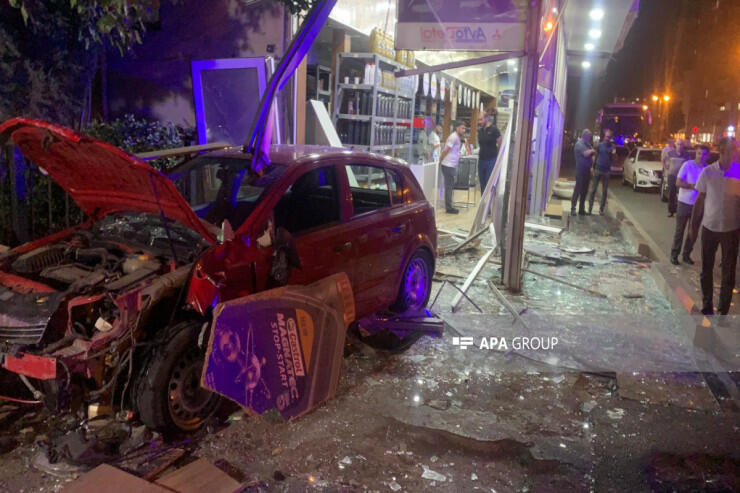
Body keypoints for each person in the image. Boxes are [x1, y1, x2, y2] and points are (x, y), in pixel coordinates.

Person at [689, 137, 740, 316]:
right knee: (706, 269)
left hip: (731, 230)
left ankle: (723, 311)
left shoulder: (738, 172)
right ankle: (707, 305)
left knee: (728, 272)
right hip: (709, 227)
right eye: (733, 149)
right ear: (723, 151)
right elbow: (699, 201)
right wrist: (693, 227)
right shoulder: (708, 172)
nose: (736, 152)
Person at [670, 145, 710, 265]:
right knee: (680, 231)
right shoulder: (687, 165)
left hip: (698, 205)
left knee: (693, 232)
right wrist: (691, 186)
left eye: (704, 154)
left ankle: (686, 254)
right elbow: (678, 182)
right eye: (699, 153)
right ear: (695, 154)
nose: (701, 156)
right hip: (684, 203)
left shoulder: (708, 169)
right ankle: (674, 255)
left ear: (707, 156)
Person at [439, 121, 466, 214]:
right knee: (449, 187)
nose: (464, 130)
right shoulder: (453, 137)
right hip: (448, 165)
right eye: (462, 128)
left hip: (451, 165)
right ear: (457, 128)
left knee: (450, 186)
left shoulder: (457, 137)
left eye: (464, 128)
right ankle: (449, 208)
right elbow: (446, 150)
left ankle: (449, 205)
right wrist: (440, 159)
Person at [588, 129, 616, 215]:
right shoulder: (600, 145)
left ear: (610, 138)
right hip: (598, 169)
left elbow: (615, 159)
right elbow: (595, 156)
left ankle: (601, 209)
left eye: (609, 137)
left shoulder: (612, 146)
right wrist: (592, 166)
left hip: (606, 171)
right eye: (606, 136)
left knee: (604, 191)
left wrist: (614, 154)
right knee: (593, 189)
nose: (607, 138)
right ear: (604, 136)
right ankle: (590, 208)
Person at [571, 128, 596, 216]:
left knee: (584, 191)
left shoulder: (587, 144)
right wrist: (592, 151)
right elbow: (586, 153)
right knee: (577, 190)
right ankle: (573, 208)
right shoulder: (579, 144)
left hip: (587, 171)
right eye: (589, 136)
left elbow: (593, 155)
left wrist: (592, 165)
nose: (589, 138)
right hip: (580, 171)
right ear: (585, 136)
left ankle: (581, 209)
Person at [477, 112, 502, 193]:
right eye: (478, 120)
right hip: (481, 161)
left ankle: (488, 200)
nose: (479, 122)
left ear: (486, 119)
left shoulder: (494, 129)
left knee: (489, 183)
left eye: (481, 119)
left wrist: (497, 155)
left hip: (491, 160)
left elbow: (500, 142)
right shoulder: (480, 130)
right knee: (482, 183)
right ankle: (483, 200)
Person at [666, 140, 691, 217]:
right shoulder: (670, 153)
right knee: (671, 193)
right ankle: (671, 211)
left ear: (683, 146)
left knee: (680, 194)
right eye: (678, 144)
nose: (679, 146)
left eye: (681, 144)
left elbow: (689, 165)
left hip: (682, 177)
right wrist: (667, 170)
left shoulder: (686, 155)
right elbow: (666, 163)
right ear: (675, 145)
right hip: (672, 176)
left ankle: (679, 210)